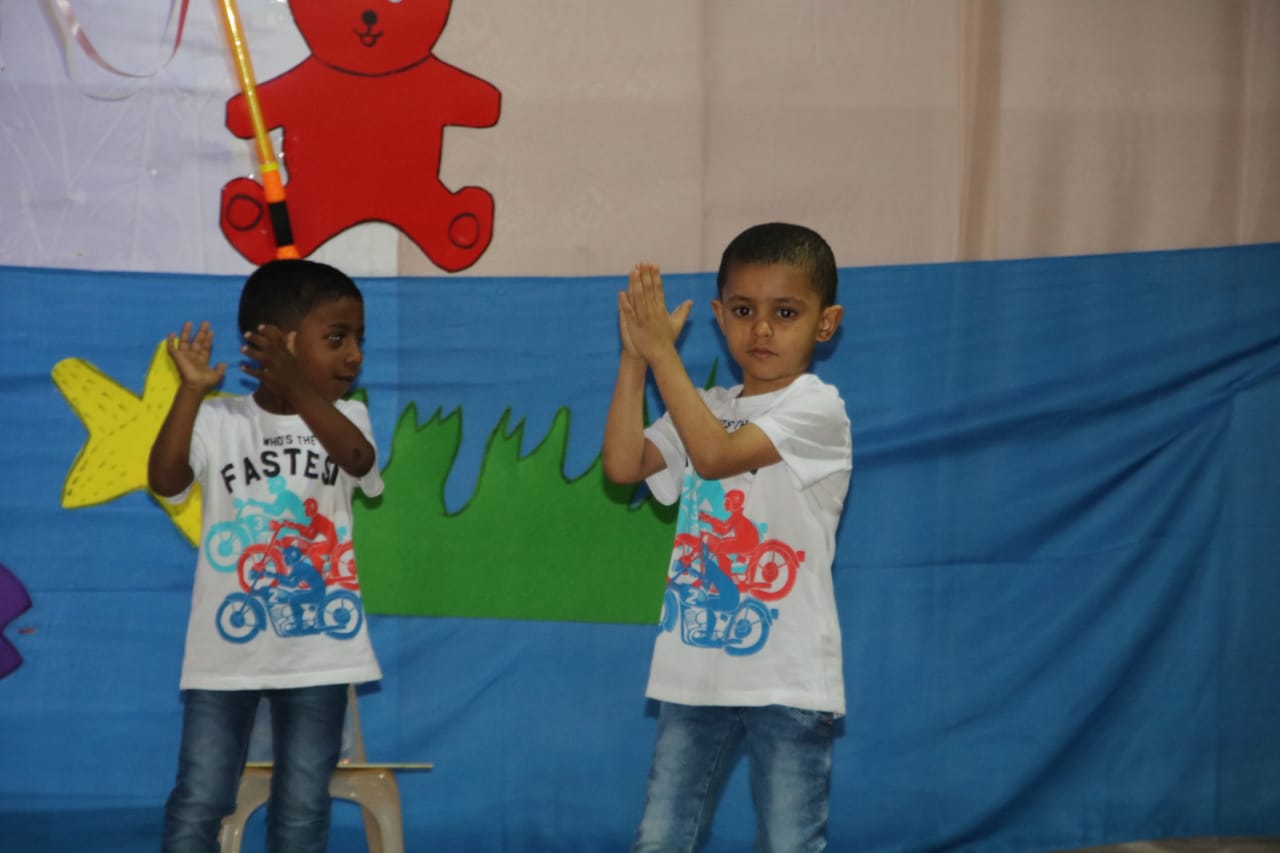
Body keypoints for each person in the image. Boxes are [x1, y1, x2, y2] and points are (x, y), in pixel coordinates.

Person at [603, 223, 852, 852]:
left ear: (826, 323)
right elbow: (624, 466)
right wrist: (636, 358)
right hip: (695, 671)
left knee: (790, 841)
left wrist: (664, 355)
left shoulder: (818, 408)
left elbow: (715, 457)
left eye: (785, 312)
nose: (761, 329)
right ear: (719, 317)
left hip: (788, 678)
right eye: (743, 311)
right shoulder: (705, 404)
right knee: (661, 837)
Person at [149, 258, 384, 853]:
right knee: (200, 798)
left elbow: (357, 461)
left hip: (318, 658)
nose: (355, 355)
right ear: (281, 342)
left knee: (302, 808)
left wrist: (299, 385)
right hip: (222, 659)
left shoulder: (348, 418)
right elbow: (165, 481)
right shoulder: (220, 420)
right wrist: (191, 393)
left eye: (359, 339)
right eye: (338, 338)